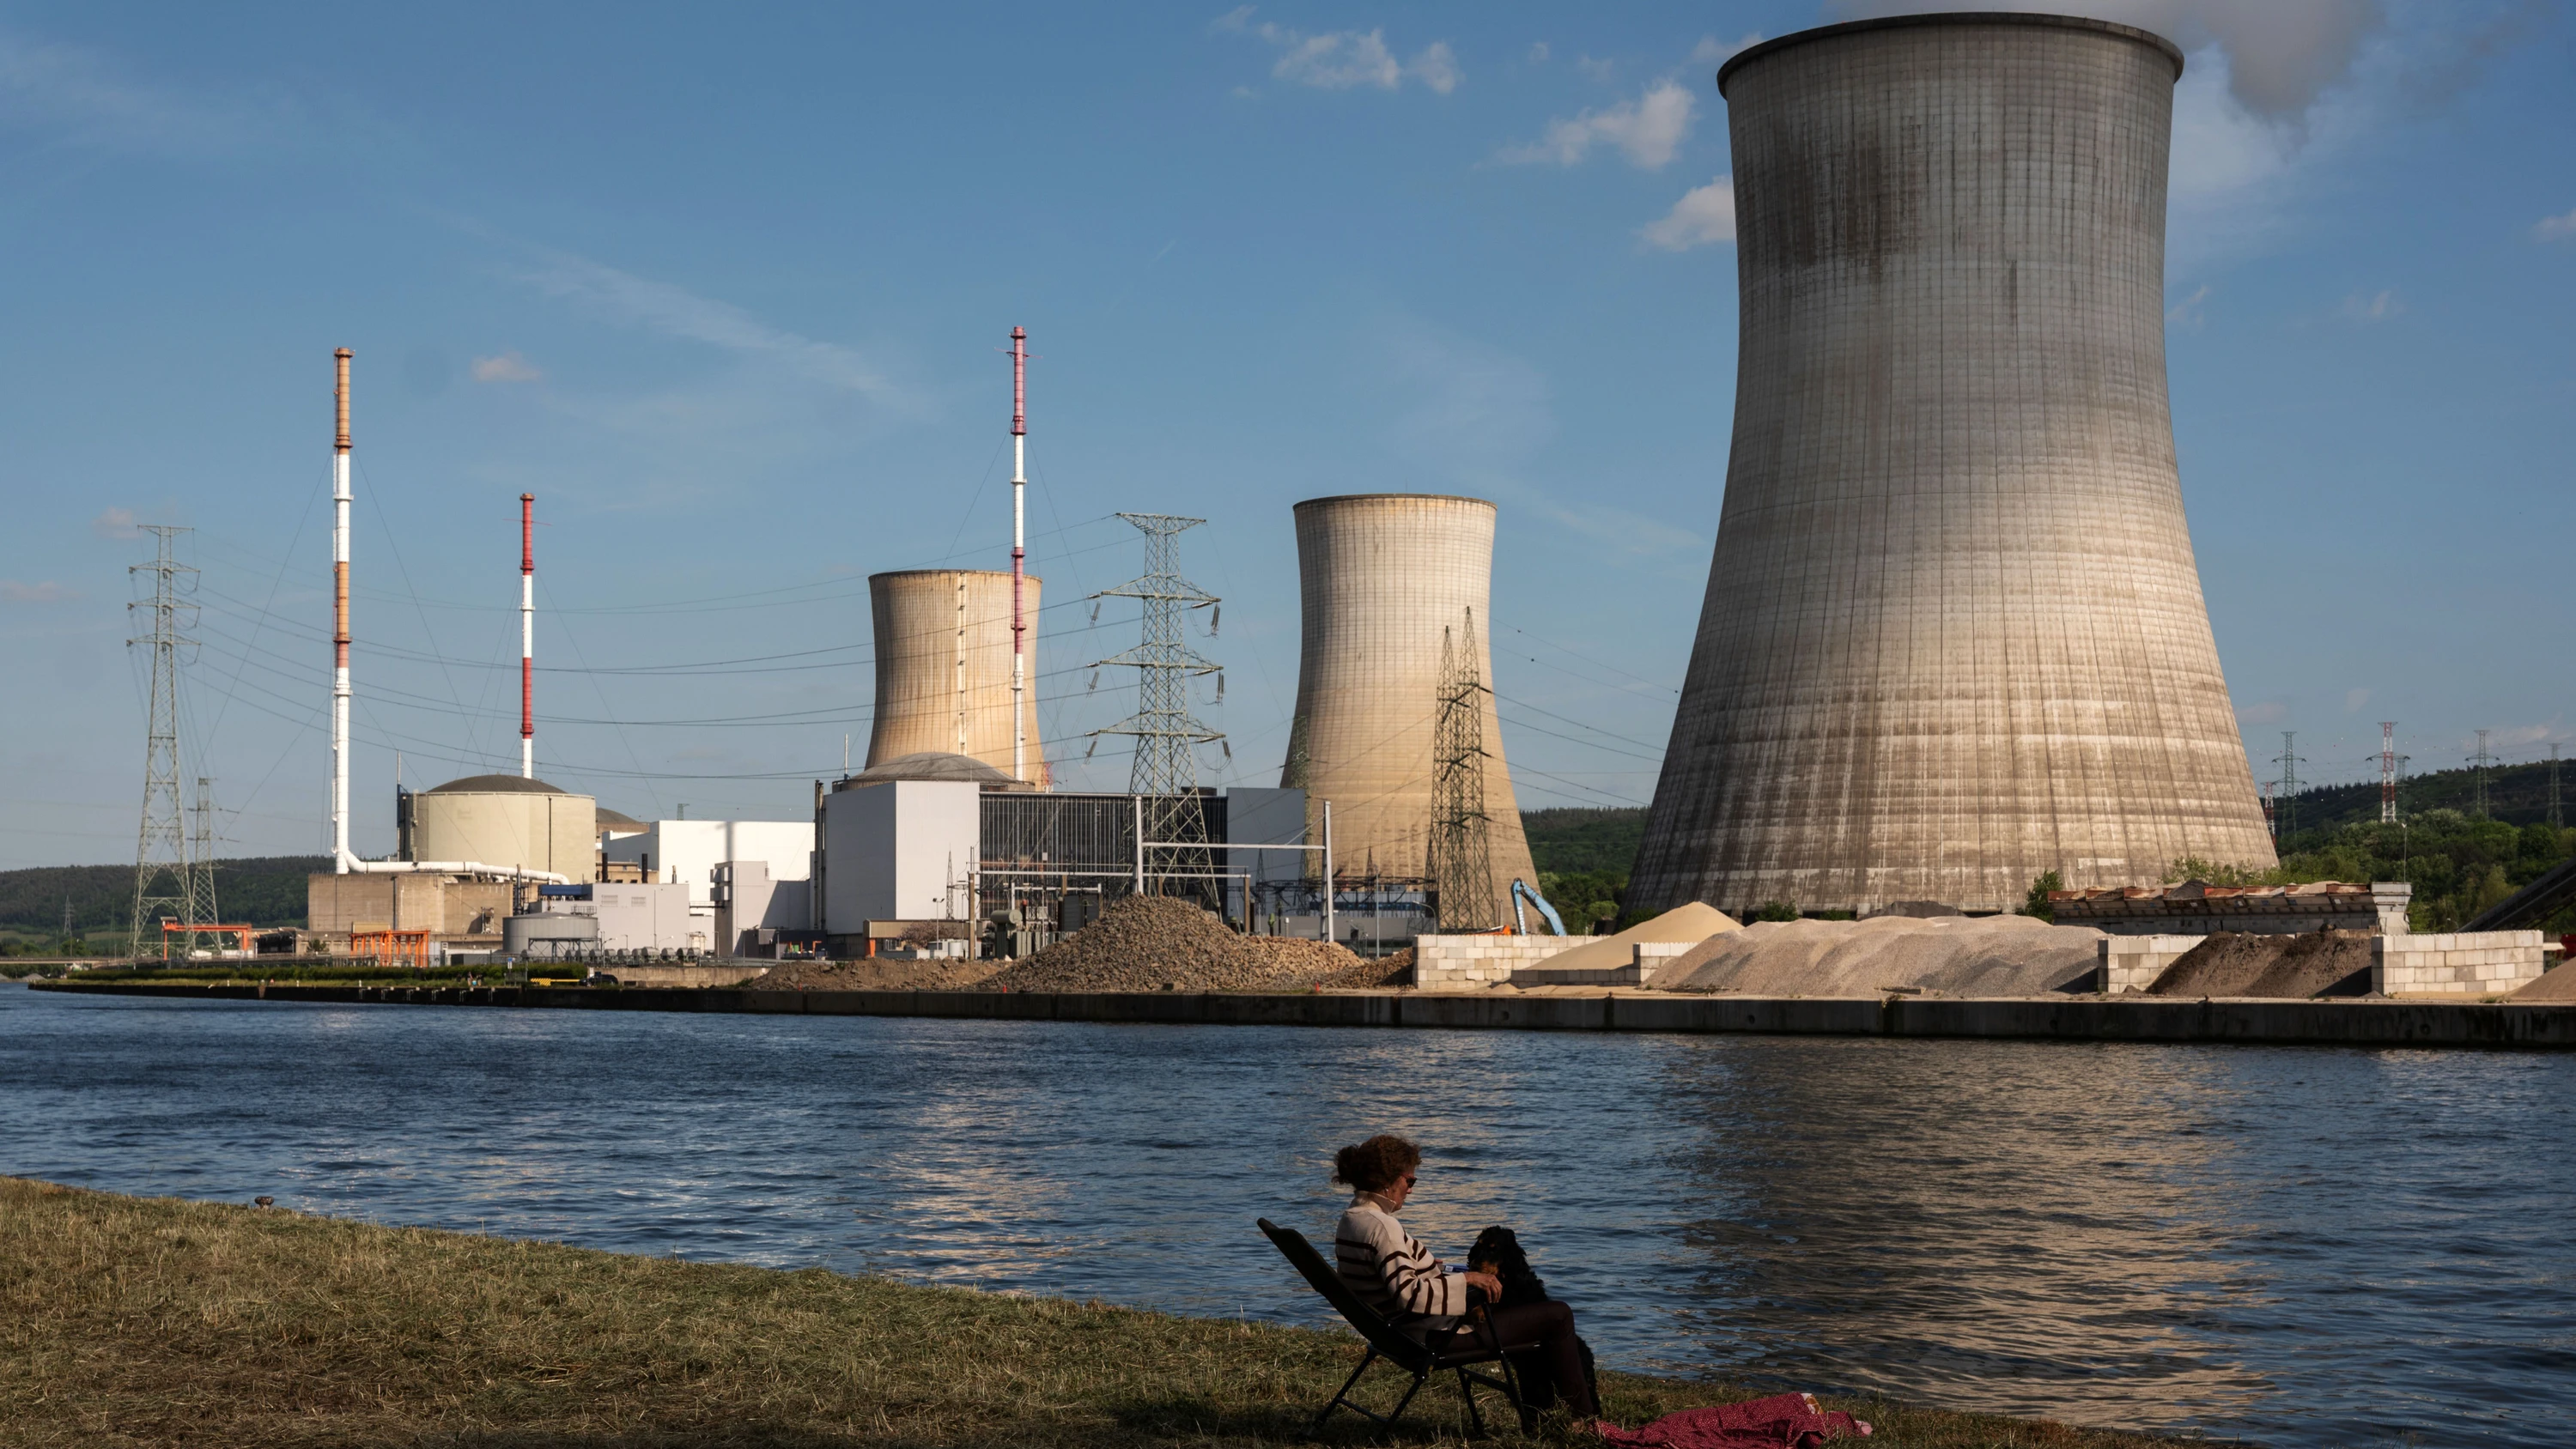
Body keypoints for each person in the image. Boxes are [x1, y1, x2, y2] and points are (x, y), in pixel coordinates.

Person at [1331, 1133, 1599, 1420]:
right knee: (1558, 1315)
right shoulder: (1384, 1227)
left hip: (1395, 1333)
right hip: (1432, 1336)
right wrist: (1468, 1280)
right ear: (1389, 1181)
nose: (1410, 1190)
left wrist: (1430, 1268)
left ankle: (1542, 1407)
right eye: (1410, 1181)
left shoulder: (1352, 1219)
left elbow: (1387, 1279)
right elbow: (1409, 1295)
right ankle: (1586, 1419)